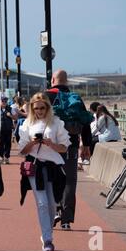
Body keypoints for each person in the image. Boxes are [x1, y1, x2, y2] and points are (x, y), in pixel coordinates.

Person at [18, 92, 70, 251]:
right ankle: (48, 241)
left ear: (48, 107)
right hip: (35, 167)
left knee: (53, 203)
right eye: (36, 108)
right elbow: (21, 150)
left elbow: (65, 147)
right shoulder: (27, 124)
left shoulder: (56, 123)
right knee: (42, 203)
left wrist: (51, 144)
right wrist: (33, 142)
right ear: (32, 109)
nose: (39, 111)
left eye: (42, 108)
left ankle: (47, 234)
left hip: (53, 166)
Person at [45, 70, 92, 230]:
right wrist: (86, 145)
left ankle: (55, 209)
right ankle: (66, 219)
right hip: (70, 146)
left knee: (50, 179)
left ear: (52, 80)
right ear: (67, 81)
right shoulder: (75, 98)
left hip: (49, 147)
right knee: (70, 182)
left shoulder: (45, 96)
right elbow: (85, 123)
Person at [0, 96, 17, 164]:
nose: (4, 102)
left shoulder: (10, 109)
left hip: (8, 129)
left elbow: (15, 118)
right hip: (0, 129)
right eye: (3, 101)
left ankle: (6, 157)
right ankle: (1, 157)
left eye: (5, 101)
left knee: (8, 143)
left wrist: (10, 116)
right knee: (0, 143)